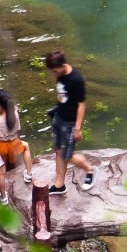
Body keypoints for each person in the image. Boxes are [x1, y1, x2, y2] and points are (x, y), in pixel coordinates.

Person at [45, 49, 95, 194]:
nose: (53, 74)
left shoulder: (76, 80)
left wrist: (78, 128)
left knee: (67, 156)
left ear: (62, 65)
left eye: (54, 71)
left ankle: (89, 170)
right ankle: (60, 185)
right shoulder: (60, 74)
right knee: (59, 151)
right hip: (59, 117)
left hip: (70, 122)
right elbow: (63, 96)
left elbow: (81, 104)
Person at [0, 90, 32, 183]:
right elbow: (18, 128)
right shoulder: (15, 115)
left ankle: (1, 186)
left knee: (0, 166)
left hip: (1, 149)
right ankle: (29, 174)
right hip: (14, 146)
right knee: (26, 146)